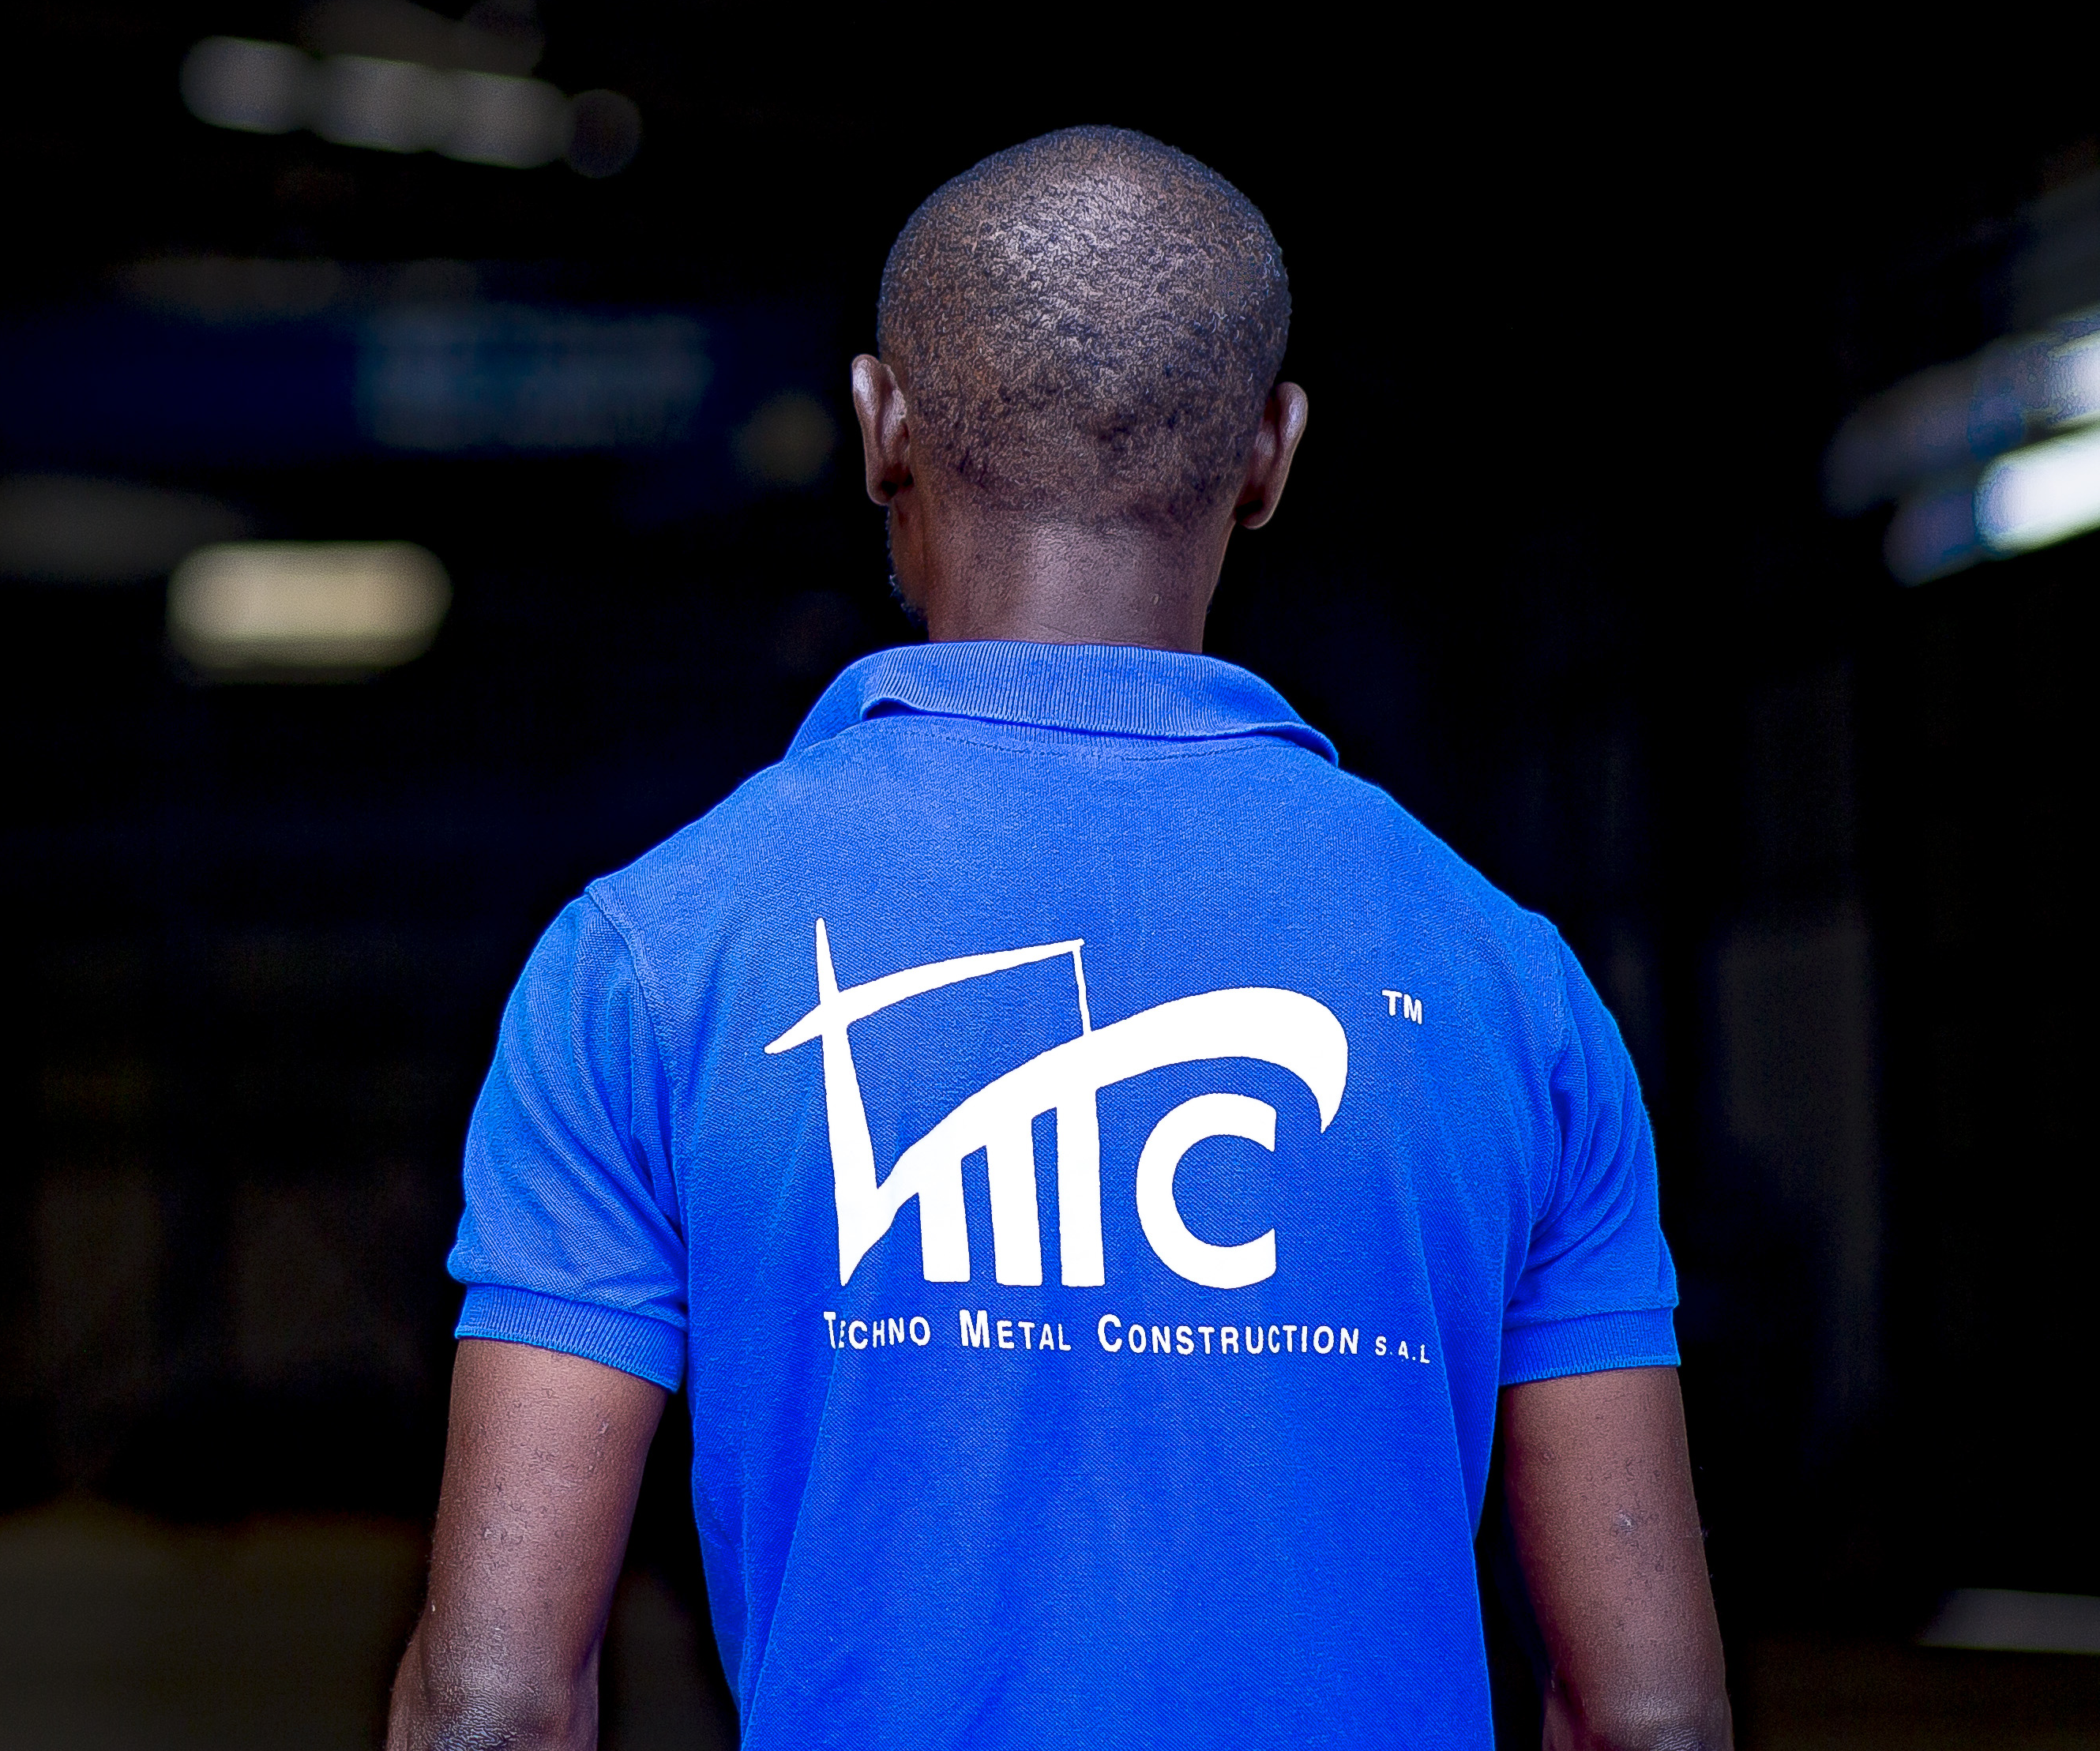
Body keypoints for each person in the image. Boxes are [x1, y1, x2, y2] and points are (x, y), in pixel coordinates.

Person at [391, 127, 1726, 1751]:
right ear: (1273, 450)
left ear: (879, 422)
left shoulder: (649, 964)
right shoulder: (1511, 988)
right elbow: (1648, 1718)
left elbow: (496, 1707)